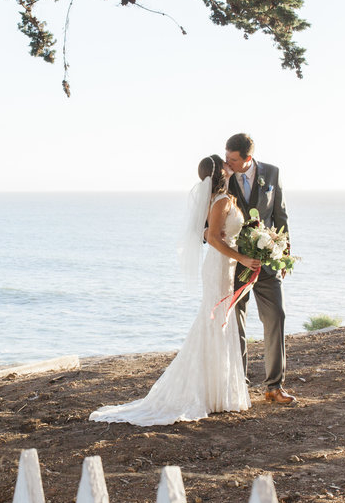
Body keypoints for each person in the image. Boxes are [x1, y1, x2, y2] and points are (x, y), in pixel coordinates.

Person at [90, 155, 259, 426]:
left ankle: (219, 391)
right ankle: (211, 393)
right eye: (225, 164)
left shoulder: (220, 199)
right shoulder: (222, 201)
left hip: (225, 266)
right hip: (220, 267)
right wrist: (242, 259)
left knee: (218, 322)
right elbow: (213, 237)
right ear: (220, 172)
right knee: (215, 321)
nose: (230, 166)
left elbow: (210, 234)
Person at [224, 132, 296, 405]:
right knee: (236, 324)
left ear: (248, 158)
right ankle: (239, 386)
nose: (228, 163)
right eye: (227, 158)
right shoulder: (224, 177)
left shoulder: (272, 174)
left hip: (267, 262)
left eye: (233, 159)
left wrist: (285, 253)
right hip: (236, 263)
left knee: (276, 316)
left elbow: (280, 216)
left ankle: (273, 387)